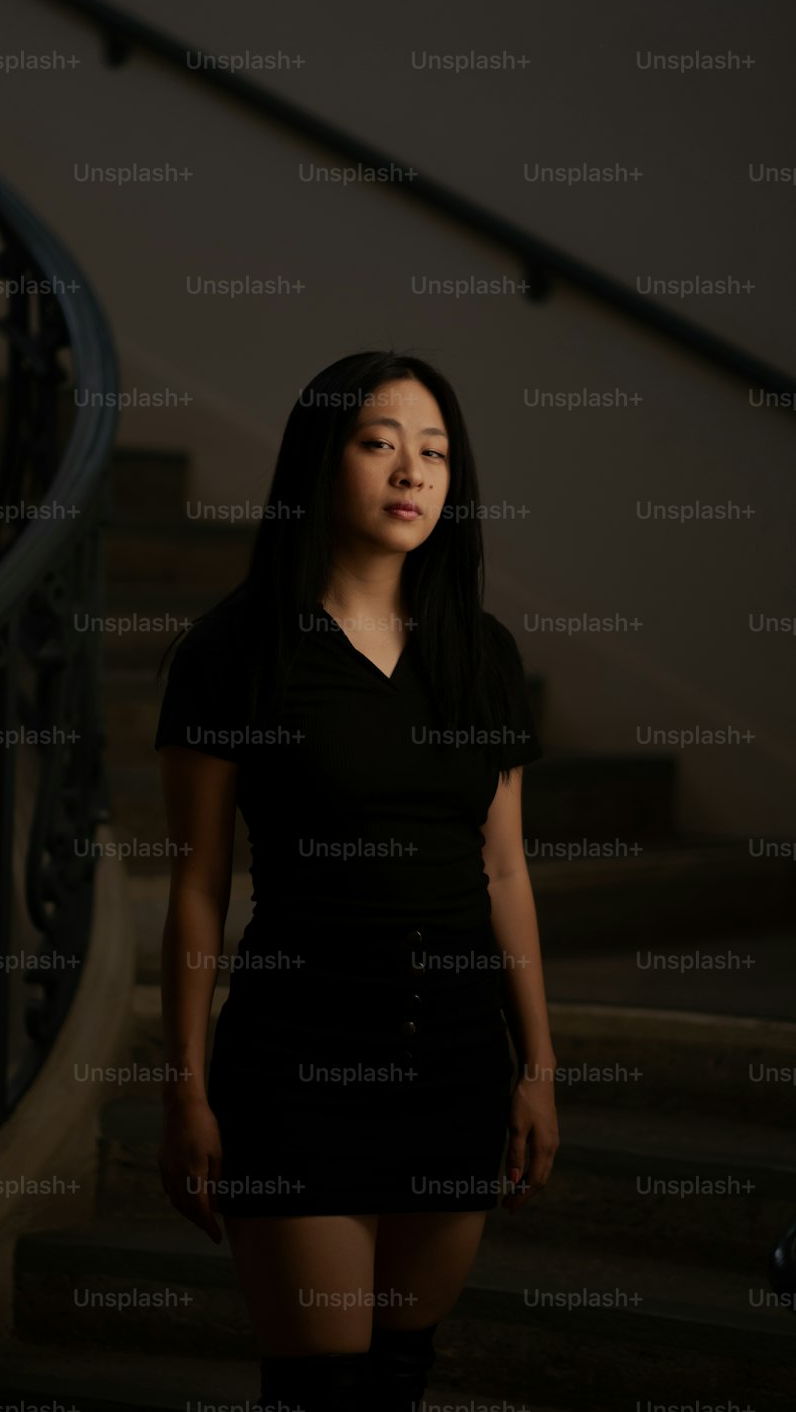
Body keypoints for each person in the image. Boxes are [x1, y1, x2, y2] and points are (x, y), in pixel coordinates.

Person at [154, 349, 559, 1411]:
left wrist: (541, 1065)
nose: (412, 472)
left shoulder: (480, 654)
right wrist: (185, 1087)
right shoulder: (234, 651)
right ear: (317, 463)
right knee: (322, 1394)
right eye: (379, 444)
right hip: (298, 1068)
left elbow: (504, 870)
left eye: (433, 452)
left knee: (397, 1382)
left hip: (458, 1062)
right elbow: (198, 885)